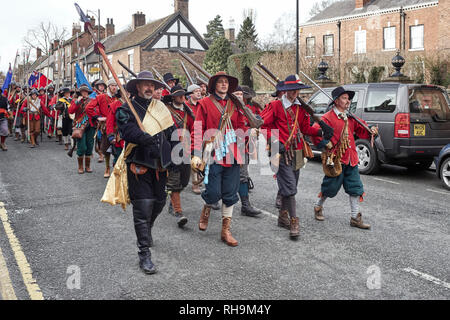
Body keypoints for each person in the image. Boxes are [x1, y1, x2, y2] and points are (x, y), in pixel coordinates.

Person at [116, 71, 176, 274]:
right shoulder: (127, 109)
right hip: (139, 165)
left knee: (159, 202)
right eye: (145, 85)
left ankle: (147, 228)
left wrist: (178, 157)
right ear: (137, 88)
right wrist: (144, 137)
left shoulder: (161, 108)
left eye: (152, 85)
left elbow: (172, 134)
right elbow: (127, 132)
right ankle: (144, 253)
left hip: (160, 166)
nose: (149, 88)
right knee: (143, 208)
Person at [261, 75, 334, 240]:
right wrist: (274, 140)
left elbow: (306, 128)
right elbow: (262, 126)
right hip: (279, 151)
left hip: (299, 151)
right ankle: (294, 221)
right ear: (285, 91)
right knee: (290, 188)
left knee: (291, 186)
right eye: (291, 89)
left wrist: (321, 131)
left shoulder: (301, 108)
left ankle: (282, 216)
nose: (294, 92)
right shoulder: (274, 106)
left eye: (297, 89)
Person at [191, 71, 247, 247]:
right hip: (213, 153)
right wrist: (196, 153)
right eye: (220, 82)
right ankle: (207, 208)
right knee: (213, 193)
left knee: (230, 193)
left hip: (232, 153)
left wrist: (244, 136)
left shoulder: (235, 104)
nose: (224, 85)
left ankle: (225, 231)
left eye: (226, 82)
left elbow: (241, 126)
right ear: (214, 85)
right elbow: (198, 129)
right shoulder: (205, 103)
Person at [312, 87, 378, 230]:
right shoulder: (327, 118)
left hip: (351, 158)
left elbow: (363, 129)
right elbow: (315, 132)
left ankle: (355, 217)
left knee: (355, 187)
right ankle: (318, 206)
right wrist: (324, 143)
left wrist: (371, 129)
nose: (348, 101)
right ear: (336, 101)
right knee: (330, 187)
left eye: (348, 98)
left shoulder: (351, 117)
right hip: (335, 160)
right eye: (344, 98)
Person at [163, 85, 195, 227]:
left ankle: (172, 201)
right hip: (172, 149)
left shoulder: (189, 112)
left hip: (186, 149)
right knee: (174, 181)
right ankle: (178, 211)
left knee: (184, 181)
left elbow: (195, 129)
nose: (183, 97)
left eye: (184, 95)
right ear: (173, 97)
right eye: (180, 95)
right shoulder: (166, 111)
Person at [232, 86, 261, 217]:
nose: (239, 96)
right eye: (236, 94)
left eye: (240, 94)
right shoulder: (226, 109)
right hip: (226, 147)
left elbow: (256, 123)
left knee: (243, 176)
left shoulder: (246, 110)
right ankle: (213, 200)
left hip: (242, 147)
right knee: (222, 176)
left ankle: (245, 205)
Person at [86, 79, 120, 177]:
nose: (114, 87)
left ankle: (117, 168)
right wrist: (97, 117)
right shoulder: (101, 97)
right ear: (108, 87)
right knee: (106, 148)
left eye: (116, 85)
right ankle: (107, 168)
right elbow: (89, 108)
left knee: (119, 148)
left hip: (118, 127)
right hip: (106, 126)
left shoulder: (119, 98)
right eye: (112, 85)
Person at [69, 85, 96, 174]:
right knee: (81, 147)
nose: (84, 93)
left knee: (89, 146)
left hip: (91, 125)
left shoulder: (92, 101)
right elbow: (71, 111)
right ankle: (80, 166)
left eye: (86, 91)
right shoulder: (76, 101)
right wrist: (78, 102)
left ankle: (87, 166)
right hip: (80, 126)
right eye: (83, 91)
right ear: (80, 93)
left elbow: (96, 111)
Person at [185, 84, 203, 195]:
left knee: (201, 159)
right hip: (190, 136)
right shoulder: (186, 106)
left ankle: (198, 178)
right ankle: (195, 184)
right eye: (196, 91)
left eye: (199, 91)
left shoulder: (202, 104)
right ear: (190, 94)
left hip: (202, 135)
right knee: (194, 160)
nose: (199, 93)